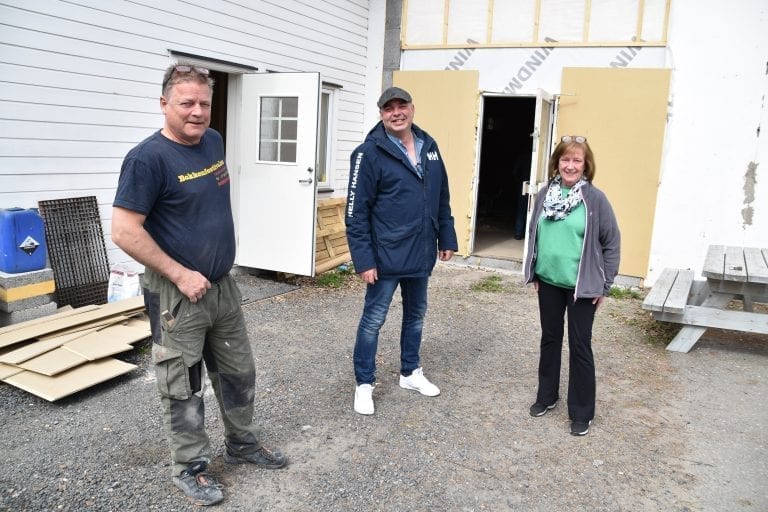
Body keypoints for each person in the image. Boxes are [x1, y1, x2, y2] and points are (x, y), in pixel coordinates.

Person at [112, 63, 286, 506]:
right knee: (182, 385)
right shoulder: (146, 159)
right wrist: (179, 273)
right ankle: (190, 468)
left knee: (238, 372)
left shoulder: (213, 141)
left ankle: (243, 444)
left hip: (222, 286)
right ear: (164, 104)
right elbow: (125, 230)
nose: (197, 112)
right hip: (177, 294)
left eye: (204, 103)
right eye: (186, 103)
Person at [345, 86, 458, 415]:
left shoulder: (429, 147)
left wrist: (446, 237)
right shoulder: (368, 153)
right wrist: (363, 259)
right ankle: (364, 384)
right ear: (381, 114)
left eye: (402, 106)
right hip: (385, 256)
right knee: (373, 321)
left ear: (412, 108)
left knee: (416, 316)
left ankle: (410, 372)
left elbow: (441, 196)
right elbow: (355, 213)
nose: (397, 113)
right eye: (389, 108)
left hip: (420, 252)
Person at [523, 135, 620, 436]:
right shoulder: (544, 194)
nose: (570, 165)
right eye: (565, 159)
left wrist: (605, 285)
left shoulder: (595, 200)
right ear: (557, 163)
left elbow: (611, 243)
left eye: (577, 160)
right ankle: (547, 396)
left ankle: (581, 411)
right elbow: (533, 233)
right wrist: (534, 272)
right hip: (548, 282)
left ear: (585, 165)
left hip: (582, 287)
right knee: (550, 339)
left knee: (580, 346)